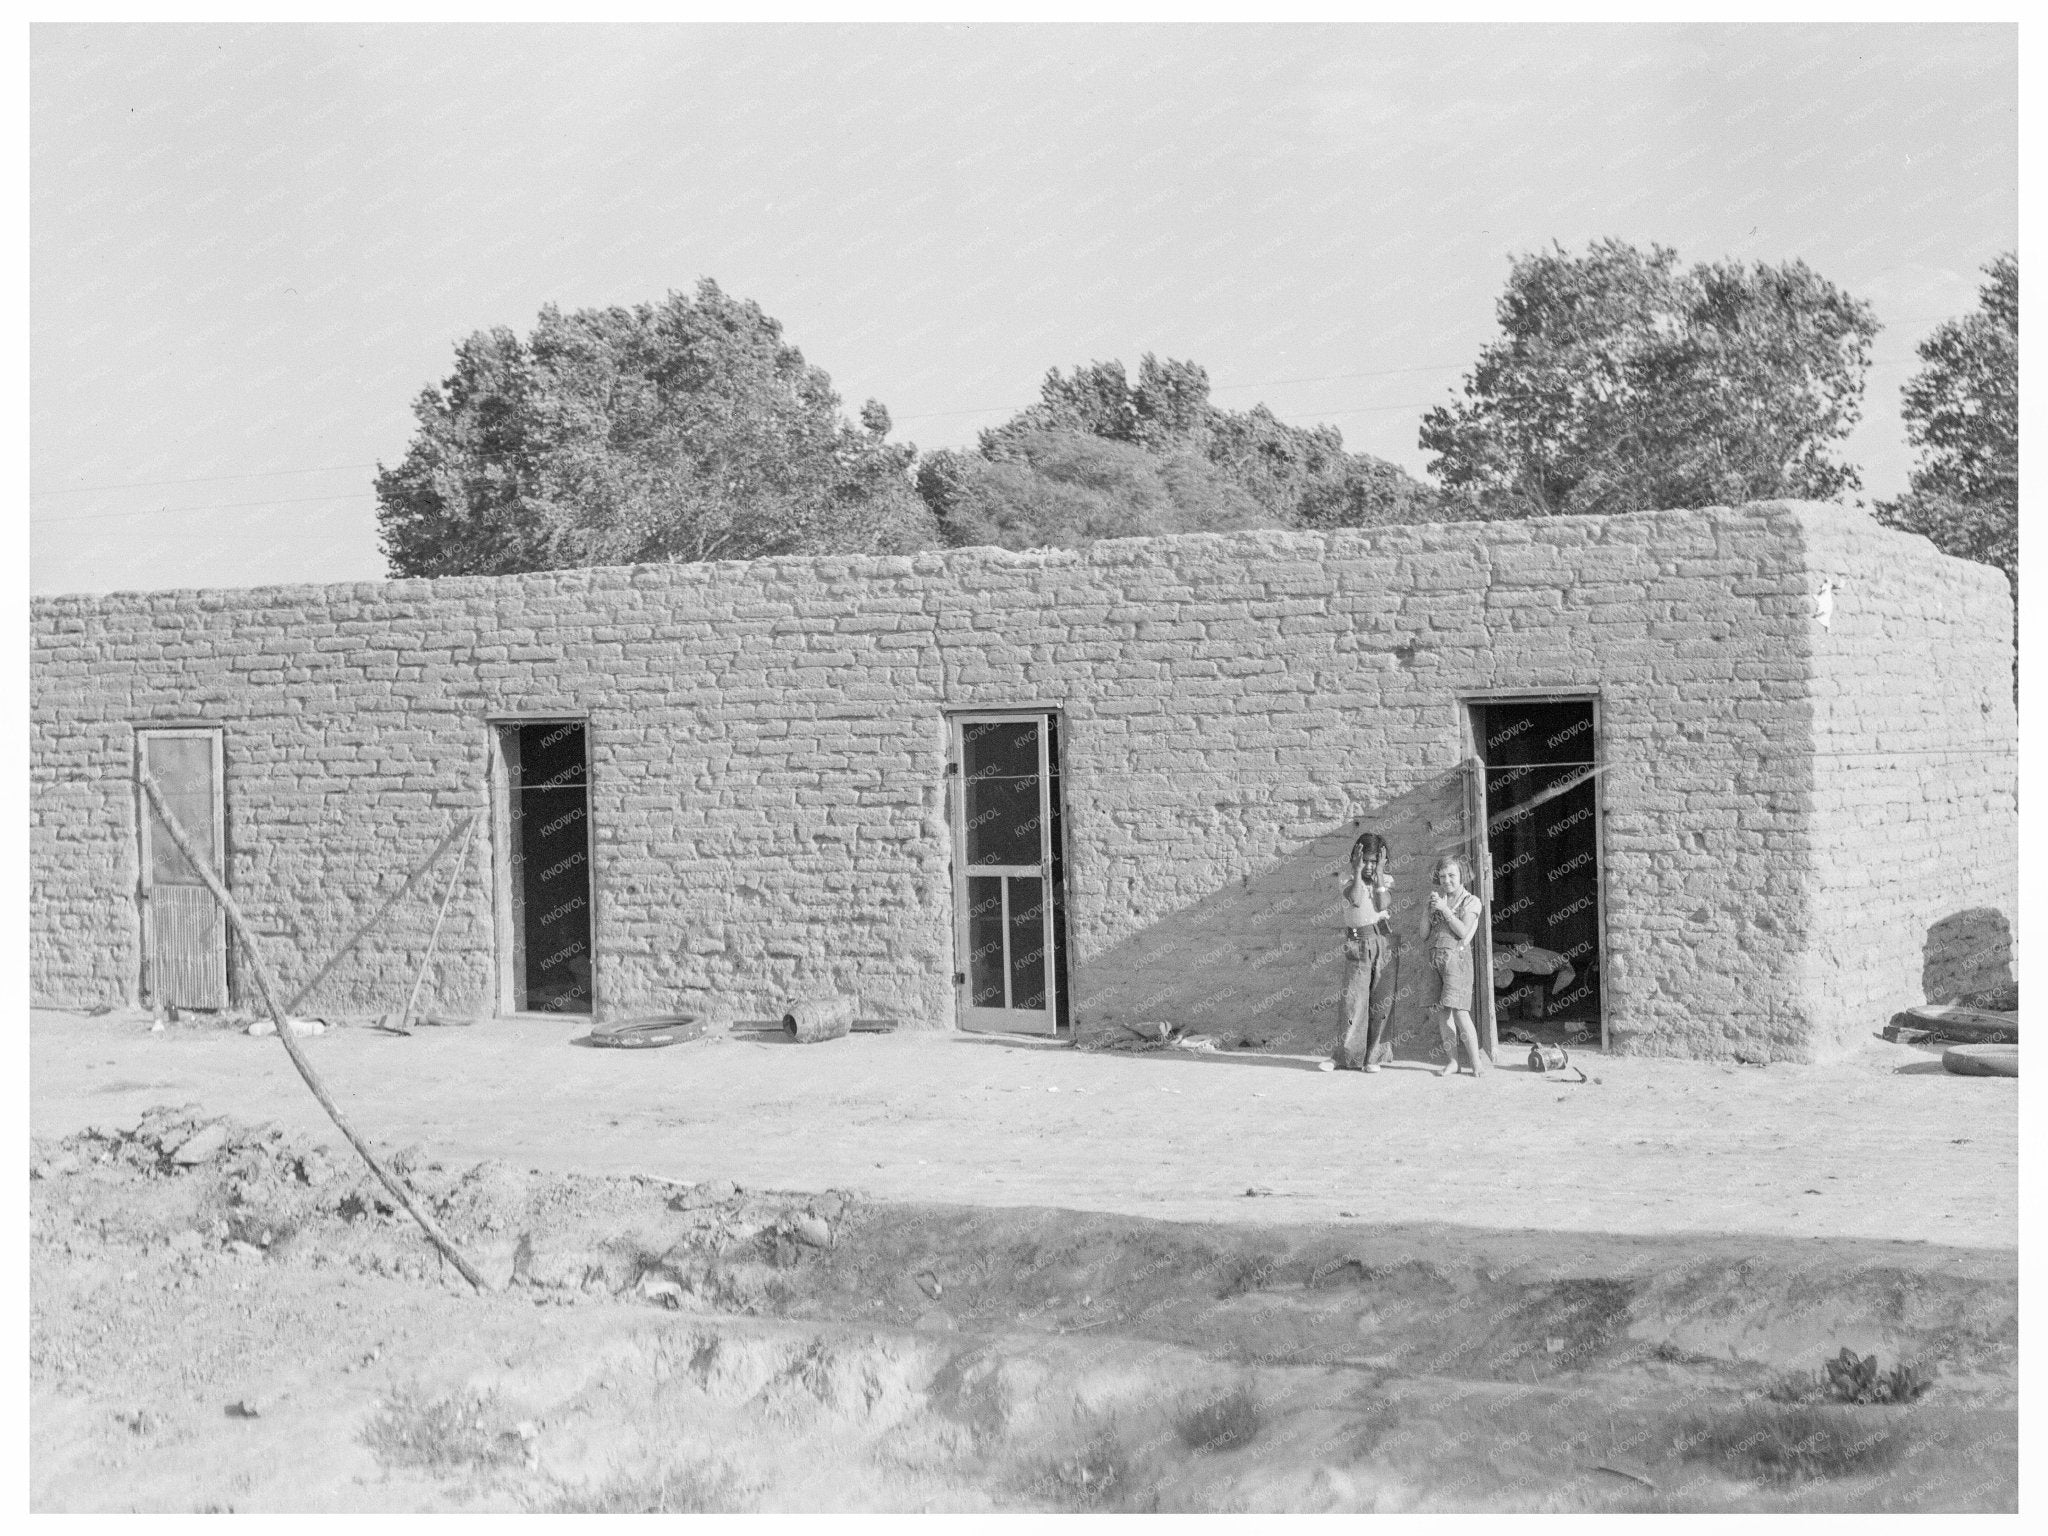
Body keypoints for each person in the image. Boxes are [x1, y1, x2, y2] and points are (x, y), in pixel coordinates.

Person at [1332, 831, 1397, 1072]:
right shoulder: (1347, 877)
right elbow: (1356, 899)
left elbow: (1382, 904)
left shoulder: (1385, 879)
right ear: (1355, 858)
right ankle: (1348, 1057)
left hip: (1382, 941)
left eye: (1374, 861)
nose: (1369, 866)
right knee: (1353, 1000)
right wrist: (1358, 872)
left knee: (1381, 1001)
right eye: (1365, 860)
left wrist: (1379, 875)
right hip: (1358, 944)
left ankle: (1374, 1057)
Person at [1427, 853, 1487, 1076]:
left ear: (1462, 875)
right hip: (1437, 959)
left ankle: (1476, 1062)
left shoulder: (1471, 901)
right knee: (1443, 1012)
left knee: (1461, 1012)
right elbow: (1424, 934)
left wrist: (1443, 910)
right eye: (1442, 876)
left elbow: (1463, 932)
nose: (1446, 880)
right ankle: (1453, 1061)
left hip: (1458, 959)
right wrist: (1428, 910)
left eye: (1451, 875)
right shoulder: (1439, 901)